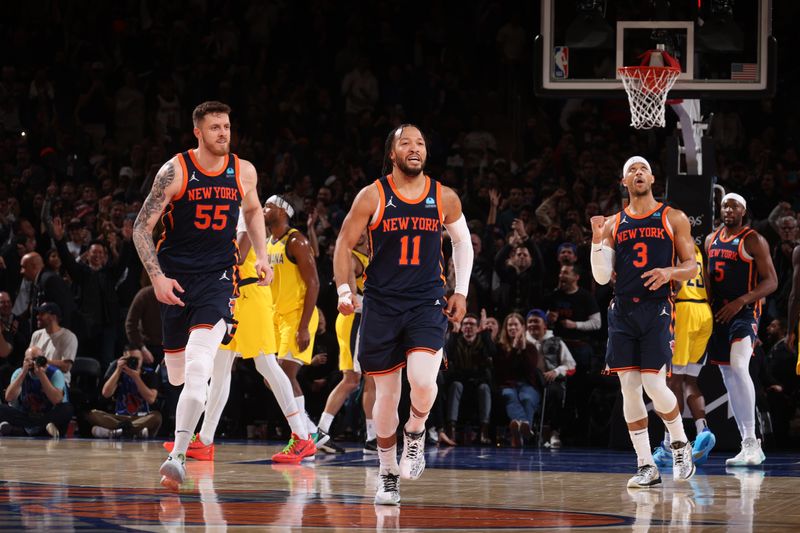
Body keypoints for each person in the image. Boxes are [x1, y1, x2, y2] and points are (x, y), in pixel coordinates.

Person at [132, 101, 271, 485]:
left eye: (226, 126)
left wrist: (260, 256)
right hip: (176, 281)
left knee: (199, 365)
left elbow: (255, 211)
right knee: (176, 376)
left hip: (217, 280)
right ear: (198, 132)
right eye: (214, 127)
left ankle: (178, 454)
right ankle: (182, 421)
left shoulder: (243, 171)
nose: (223, 133)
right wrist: (157, 278)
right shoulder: (175, 171)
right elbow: (141, 228)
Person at [334, 124, 473, 505]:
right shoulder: (373, 196)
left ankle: (415, 432)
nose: (414, 148)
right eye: (405, 143)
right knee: (385, 395)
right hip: (381, 302)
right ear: (392, 154)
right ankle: (387, 473)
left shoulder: (443, 196)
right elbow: (343, 245)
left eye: (421, 143)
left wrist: (460, 291)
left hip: (426, 300)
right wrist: (345, 290)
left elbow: (462, 243)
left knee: (424, 381)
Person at [165, 203, 316, 463]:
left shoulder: (246, 214)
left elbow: (237, 255)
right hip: (235, 296)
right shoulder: (230, 215)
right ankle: (205, 439)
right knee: (220, 369)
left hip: (251, 296)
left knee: (267, 365)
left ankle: (302, 435)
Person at [590, 156, 697, 488]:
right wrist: (595, 241)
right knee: (629, 388)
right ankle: (645, 465)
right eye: (630, 170)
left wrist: (669, 271)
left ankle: (679, 443)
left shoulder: (673, 217)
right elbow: (601, 275)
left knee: (654, 384)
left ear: (652, 178)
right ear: (624, 183)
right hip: (622, 309)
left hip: (656, 308)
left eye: (643, 169)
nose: (637, 173)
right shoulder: (612, 223)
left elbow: (692, 266)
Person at [705, 192, 777, 466]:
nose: (728, 209)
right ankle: (745, 442)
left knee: (738, 366)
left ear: (743, 211)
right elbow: (709, 280)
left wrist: (741, 301)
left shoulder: (752, 239)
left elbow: (771, 282)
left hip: (745, 310)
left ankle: (752, 442)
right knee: (727, 375)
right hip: (720, 312)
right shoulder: (711, 239)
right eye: (725, 205)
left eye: (734, 206)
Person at [263, 194, 322, 461]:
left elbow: (314, 284)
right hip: (276, 318)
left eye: (269, 205)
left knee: (285, 376)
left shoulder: (296, 240)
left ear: (284, 211)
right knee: (270, 378)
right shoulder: (267, 242)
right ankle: (309, 430)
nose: (264, 209)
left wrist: (304, 327)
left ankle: (303, 438)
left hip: (297, 317)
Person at [652, 244, 716, 467]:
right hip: (704, 311)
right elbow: (708, 283)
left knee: (673, 381)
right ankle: (702, 429)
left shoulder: (672, 247)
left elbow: (677, 285)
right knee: (691, 381)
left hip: (685, 312)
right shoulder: (696, 249)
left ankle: (671, 443)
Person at [315, 230, 377, 454]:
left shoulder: (370, 258)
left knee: (369, 380)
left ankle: (372, 438)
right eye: (357, 230)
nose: (359, 233)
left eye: (364, 231)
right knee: (352, 379)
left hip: (363, 321)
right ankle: (321, 431)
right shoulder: (352, 258)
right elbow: (352, 293)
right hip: (355, 319)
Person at [525, 308, 576, 448]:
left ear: (544, 325)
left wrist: (556, 371)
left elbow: (571, 365)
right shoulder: (523, 340)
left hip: (550, 380)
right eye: (530, 322)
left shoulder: (556, 342)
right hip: (529, 381)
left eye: (536, 321)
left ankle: (553, 432)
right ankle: (529, 431)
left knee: (555, 392)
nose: (532, 325)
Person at [86, 348, 162, 438]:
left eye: (137, 359)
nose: (134, 362)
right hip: (118, 418)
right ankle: (134, 432)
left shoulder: (150, 373)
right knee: (92, 414)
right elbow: (106, 393)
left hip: (141, 417)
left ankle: (115, 432)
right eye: (130, 359)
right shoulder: (117, 371)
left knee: (156, 417)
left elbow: (151, 399)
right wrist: (118, 370)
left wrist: (136, 377)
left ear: (142, 359)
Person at [0, 346, 73, 438]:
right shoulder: (19, 373)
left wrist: (41, 375)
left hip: (48, 416)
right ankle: (37, 428)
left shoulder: (55, 373)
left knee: (67, 409)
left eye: (38, 359)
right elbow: (9, 397)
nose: (35, 362)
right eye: (32, 359)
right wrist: (23, 372)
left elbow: (57, 400)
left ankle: (17, 430)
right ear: (25, 360)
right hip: (27, 416)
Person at [444, 312, 495, 445]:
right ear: (461, 327)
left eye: (472, 324)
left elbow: (493, 352)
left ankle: (484, 430)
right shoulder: (456, 340)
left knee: (484, 388)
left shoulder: (483, 340)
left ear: (478, 328)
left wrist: (485, 332)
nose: (468, 327)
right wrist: (454, 333)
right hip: (459, 381)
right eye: (465, 324)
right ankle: (452, 430)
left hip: (478, 382)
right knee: (456, 386)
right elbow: (447, 355)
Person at [494, 312, 541, 448]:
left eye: (516, 325)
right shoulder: (500, 348)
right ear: (505, 328)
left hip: (528, 385)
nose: (512, 328)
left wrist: (523, 349)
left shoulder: (531, 348)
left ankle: (518, 433)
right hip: (507, 385)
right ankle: (526, 428)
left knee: (526, 397)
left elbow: (530, 370)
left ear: (522, 327)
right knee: (509, 395)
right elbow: (504, 372)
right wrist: (514, 349)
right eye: (510, 325)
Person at [28, 302, 78, 385]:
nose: (38, 317)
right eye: (38, 314)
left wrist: (43, 362)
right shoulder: (36, 335)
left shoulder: (69, 336)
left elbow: (66, 367)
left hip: (57, 382)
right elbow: (29, 358)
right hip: (36, 380)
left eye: (42, 314)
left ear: (53, 317)